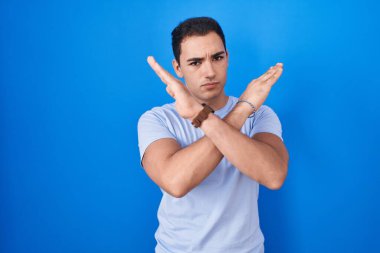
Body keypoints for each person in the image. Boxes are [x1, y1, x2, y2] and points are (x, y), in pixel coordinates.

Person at [138, 17, 289, 253]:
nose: (209, 71)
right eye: (195, 62)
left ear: (227, 58)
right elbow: (176, 182)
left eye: (217, 58)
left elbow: (273, 175)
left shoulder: (260, 114)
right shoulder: (157, 119)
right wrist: (241, 110)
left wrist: (202, 115)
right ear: (178, 68)